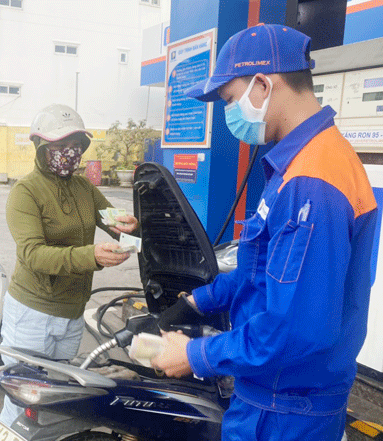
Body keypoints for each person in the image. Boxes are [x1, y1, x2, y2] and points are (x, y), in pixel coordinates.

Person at [149, 24, 378, 440]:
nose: (229, 112)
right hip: (282, 397)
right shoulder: (306, 161)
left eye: (230, 99)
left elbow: (295, 330)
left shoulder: (312, 182)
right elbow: (265, 273)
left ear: (262, 84)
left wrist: (195, 355)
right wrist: (197, 302)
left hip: (283, 410)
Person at [0, 104, 139, 425]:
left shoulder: (85, 189)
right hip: (32, 315)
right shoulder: (25, 192)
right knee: (23, 402)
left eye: (76, 146)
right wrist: (91, 256)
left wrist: (133, 231)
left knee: (58, 400)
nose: (70, 153)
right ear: (41, 146)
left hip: (72, 314)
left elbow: (113, 223)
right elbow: (34, 255)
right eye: (61, 146)